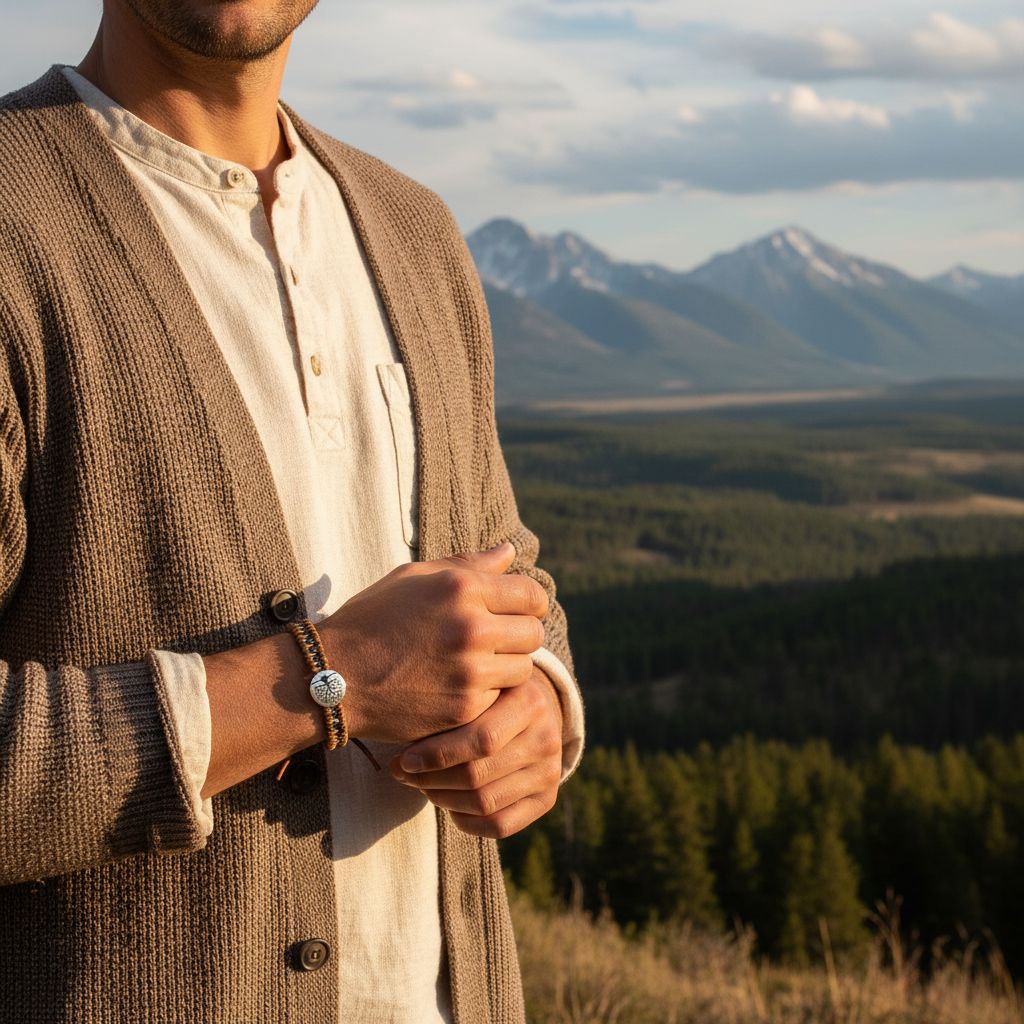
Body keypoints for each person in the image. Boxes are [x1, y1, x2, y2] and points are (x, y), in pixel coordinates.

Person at [0, 1, 584, 1021]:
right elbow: (360, 665)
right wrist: (325, 678)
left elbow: (508, 578)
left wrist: (537, 701)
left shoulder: (414, 230)